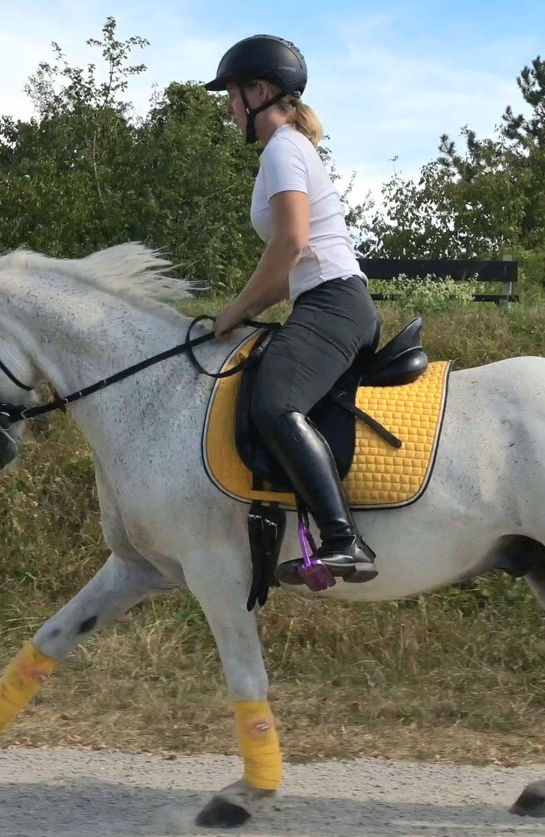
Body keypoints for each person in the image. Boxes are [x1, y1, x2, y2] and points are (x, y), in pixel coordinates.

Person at [204, 34, 380, 583]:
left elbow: (291, 246)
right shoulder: (287, 150)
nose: (230, 109)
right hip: (323, 297)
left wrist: (231, 313)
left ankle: (343, 540)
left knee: (274, 402)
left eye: (231, 96)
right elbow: (289, 271)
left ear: (259, 91)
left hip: (334, 303)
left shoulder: (282, 148)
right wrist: (243, 308)